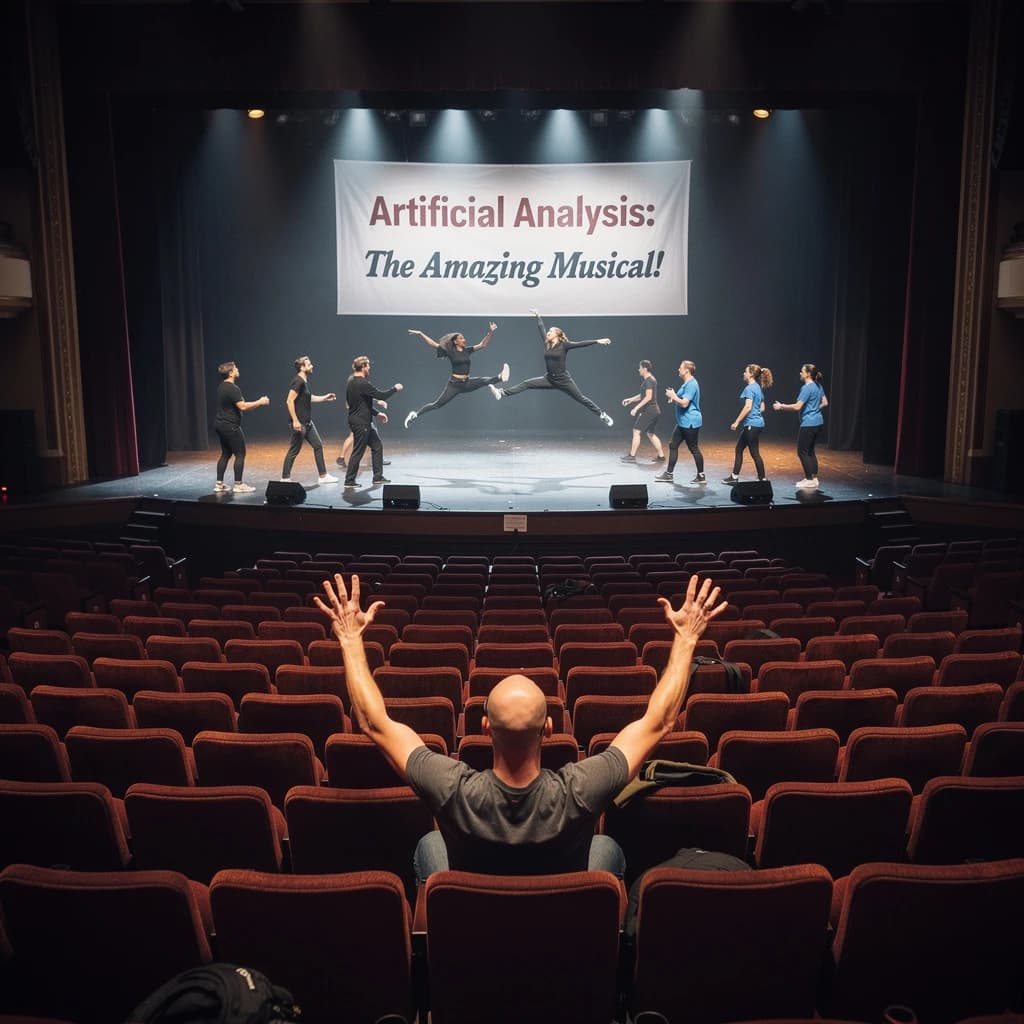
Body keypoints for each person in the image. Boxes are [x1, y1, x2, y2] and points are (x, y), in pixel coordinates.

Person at [314, 571, 727, 881]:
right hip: (559, 903)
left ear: (483, 727)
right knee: (606, 848)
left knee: (430, 843)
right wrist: (687, 638)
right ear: (549, 729)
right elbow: (659, 722)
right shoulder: (582, 790)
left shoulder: (451, 788)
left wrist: (350, 640)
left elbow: (372, 722)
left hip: (474, 901)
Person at [489, 309, 614, 426]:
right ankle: (502, 393)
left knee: (581, 399)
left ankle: (602, 415)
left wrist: (597, 341)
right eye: (548, 332)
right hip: (549, 379)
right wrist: (538, 315)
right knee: (527, 383)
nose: (548, 333)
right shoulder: (547, 344)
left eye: (551, 332)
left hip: (563, 380)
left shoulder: (564, 345)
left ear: (557, 335)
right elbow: (541, 328)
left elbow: (581, 344)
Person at [403, 323, 509, 429]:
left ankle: (500, 378)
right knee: (437, 405)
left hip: (466, 383)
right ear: (455, 341)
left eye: (463, 338)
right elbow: (434, 344)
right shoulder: (450, 351)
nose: (464, 340)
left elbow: (483, 344)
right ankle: (415, 414)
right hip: (454, 385)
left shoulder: (467, 350)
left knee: (484, 381)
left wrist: (490, 332)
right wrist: (421, 333)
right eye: (461, 338)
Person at [344, 355, 402, 491]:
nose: (369, 368)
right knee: (358, 451)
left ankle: (377, 477)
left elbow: (362, 403)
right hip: (361, 423)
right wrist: (395, 388)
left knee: (377, 446)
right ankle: (349, 480)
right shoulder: (362, 383)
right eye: (368, 366)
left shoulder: (351, 380)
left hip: (362, 420)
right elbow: (381, 395)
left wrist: (377, 413)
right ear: (363, 367)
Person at [212, 361, 269, 494]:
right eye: (236, 368)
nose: (238, 369)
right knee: (240, 454)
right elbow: (243, 406)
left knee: (226, 453)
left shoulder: (222, 386)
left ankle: (219, 484)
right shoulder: (233, 388)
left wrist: (259, 403)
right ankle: (238, 484)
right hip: (230, 426)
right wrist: (260, 401)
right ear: (231, 373)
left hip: (220, 424)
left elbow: (240, 406)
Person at [280, 356, 337, 484]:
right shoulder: (298, 381)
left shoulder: (304, 381)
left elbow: (308, 398)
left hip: (308, 423)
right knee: (294, 450)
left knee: (318, 445)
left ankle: (323, 476)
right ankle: (284, 479)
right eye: (309, 364)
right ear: (302, 367)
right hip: (300, 423)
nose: (312, 366)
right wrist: (295, 421)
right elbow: (289, 401)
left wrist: (324, 398)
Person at [773, 362, 828, 489]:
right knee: (810, 451)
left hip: (809, 423)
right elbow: (825, 402)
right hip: (818, 422)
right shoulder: (818, 386)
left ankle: (809, 479)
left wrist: (781, 406)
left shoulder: (807, 388)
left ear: (808, 374)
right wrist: (815, 410)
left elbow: (797, 406)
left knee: (802, 452)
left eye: (802, 371)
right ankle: (813, 478)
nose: (800, 373)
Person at [722, 364, 774, 484]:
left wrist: (737, 421)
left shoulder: (750, 389)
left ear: (751, 374)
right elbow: (762, 408)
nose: (743, 374)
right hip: (757, 424)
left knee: (754, 453)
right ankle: (735, 476)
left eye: (745, 372)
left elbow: (748, 406)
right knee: (739, 449)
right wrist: (754, 413)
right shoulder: (758, 388)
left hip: (752, 424)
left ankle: (762, 479)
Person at [655, 360, 705, 484]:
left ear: (686, 370)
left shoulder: (691, 384)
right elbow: (680, 399)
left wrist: (673, 396)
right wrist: (673, 397)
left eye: (680, 368)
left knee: (693, 448)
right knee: (673, 445)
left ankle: (701, 476)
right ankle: (669, 474)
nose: (678, 369)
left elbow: (684, 403)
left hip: (690, 422)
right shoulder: (686, 383)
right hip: (683, 422)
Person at [620, 360, 666, 463]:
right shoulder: (650, 380)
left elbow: (648, 397)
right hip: (654, 411)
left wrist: (636, 408)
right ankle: (661, 456)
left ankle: (632, 456)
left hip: (650, 411)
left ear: (645, 368)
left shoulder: (649, 380)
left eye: (640, 367)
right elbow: (643, 395)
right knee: (651, 433)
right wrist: (630, 400)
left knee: (636, 431)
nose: (638, 369)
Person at [336, 400, 389, 469]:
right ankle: (378, 459)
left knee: (352, 436)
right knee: (373, 434)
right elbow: (364, 397)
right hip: (362, 415)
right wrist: (377, 402)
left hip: (356, 414)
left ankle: (341, 457)